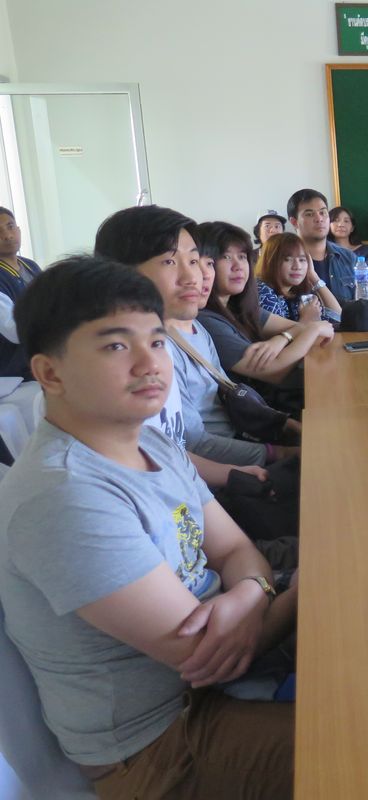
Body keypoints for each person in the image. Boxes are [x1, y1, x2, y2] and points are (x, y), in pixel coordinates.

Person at [1, 256, 297, 798]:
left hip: (227, 669)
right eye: (117, 346)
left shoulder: (152, 441)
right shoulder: (64, 495)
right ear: (50, 373)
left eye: (157, 341)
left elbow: (235, 549)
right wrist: (303, 586)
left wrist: (252, 589)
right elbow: (208, 655)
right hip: (162, 744)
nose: (150, 363)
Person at [94, 205, 287, 472]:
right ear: (122, 274)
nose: (193, 277)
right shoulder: (146, 359)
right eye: (169, 261)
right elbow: (190, 446)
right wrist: (275, 454)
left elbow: (228, 391)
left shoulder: (194, 327)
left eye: (194, 261)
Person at [197, 221, 333, 402]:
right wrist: (314, 328)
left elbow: (300, 328)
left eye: (242, 257)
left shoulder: (238, 307)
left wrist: (282, 338)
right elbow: (274, 371)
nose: (238, 266)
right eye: (226, 257)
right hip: (260, 410)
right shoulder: (207, 320)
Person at [288, 188, 357, 302]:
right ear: (294, 222)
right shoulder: (283, 261)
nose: (319, 219)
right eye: (309, 214)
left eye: (323, 212)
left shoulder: (348, 257)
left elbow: (360, 302)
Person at [256, 232, 342, 323]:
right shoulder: (262, 292)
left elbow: (337, 318)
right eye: (287, 259)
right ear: (270, 261)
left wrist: (313, 276)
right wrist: (305, 319)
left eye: (302, 260)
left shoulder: (294, 293)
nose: (297, 266)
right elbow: (277, 331)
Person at [0, 206, 42, 377]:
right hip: (14, 375)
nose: (7, 235)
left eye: (10, 227)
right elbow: (15, 330)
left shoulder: (30, 266)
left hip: (40, 362)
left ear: (18, 229)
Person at [327, 205, 368, 289]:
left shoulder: (365, 251)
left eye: (346, 221)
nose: (341, 224)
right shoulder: (324, 252)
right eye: (336, 220)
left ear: (352, 228)